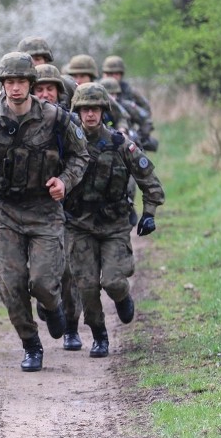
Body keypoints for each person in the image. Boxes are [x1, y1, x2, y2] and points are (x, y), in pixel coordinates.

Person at [0, 52, 89, 372]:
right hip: (8, 212)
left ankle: (53, 305)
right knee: (11, 283)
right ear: (2, 85)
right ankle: (31, 344)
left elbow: (79, 157)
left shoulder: (56, 118)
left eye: (21, 82)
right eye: (9, 82)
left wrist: (64, 181)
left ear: (31, 84)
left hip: (45, 210)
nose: (15, 88)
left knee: (43, 282)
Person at [64, 82, 164, 357]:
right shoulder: (67, 144)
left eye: (95, 109)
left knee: (112, 281)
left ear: (103, 110)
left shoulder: (121, 144)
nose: (90, 115)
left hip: (114, 224)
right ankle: (99, 335)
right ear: (77, 112)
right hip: (78, 223)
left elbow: (149, 181)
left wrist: (149, 213)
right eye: (84, 110)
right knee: (85, 284)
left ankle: (122, 296)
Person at [32, 63, 84, 350]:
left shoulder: (68, 121)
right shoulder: (14, 116)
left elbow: (83, 157)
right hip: (28, 206)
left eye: (49, 89)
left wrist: (67, 182)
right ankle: (48, 301)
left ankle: (72, 327)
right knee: (36, 268)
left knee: (67, 268)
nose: (44, 94)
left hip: (67, 203)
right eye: (38, 89)